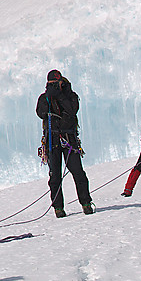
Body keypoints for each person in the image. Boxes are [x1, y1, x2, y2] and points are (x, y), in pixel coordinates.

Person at [36, 70, 95, 218]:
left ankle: (86, 203)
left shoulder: (71, 96)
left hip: (69, 138)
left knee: (78, 172)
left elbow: (72, 110)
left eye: (56, 83)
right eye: (51, 84)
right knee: (55, 176)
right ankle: (58, 208)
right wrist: (50, 96)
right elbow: (41, 113)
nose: (54, 86)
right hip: (52, 140)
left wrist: (61, 95)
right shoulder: (44, 98)